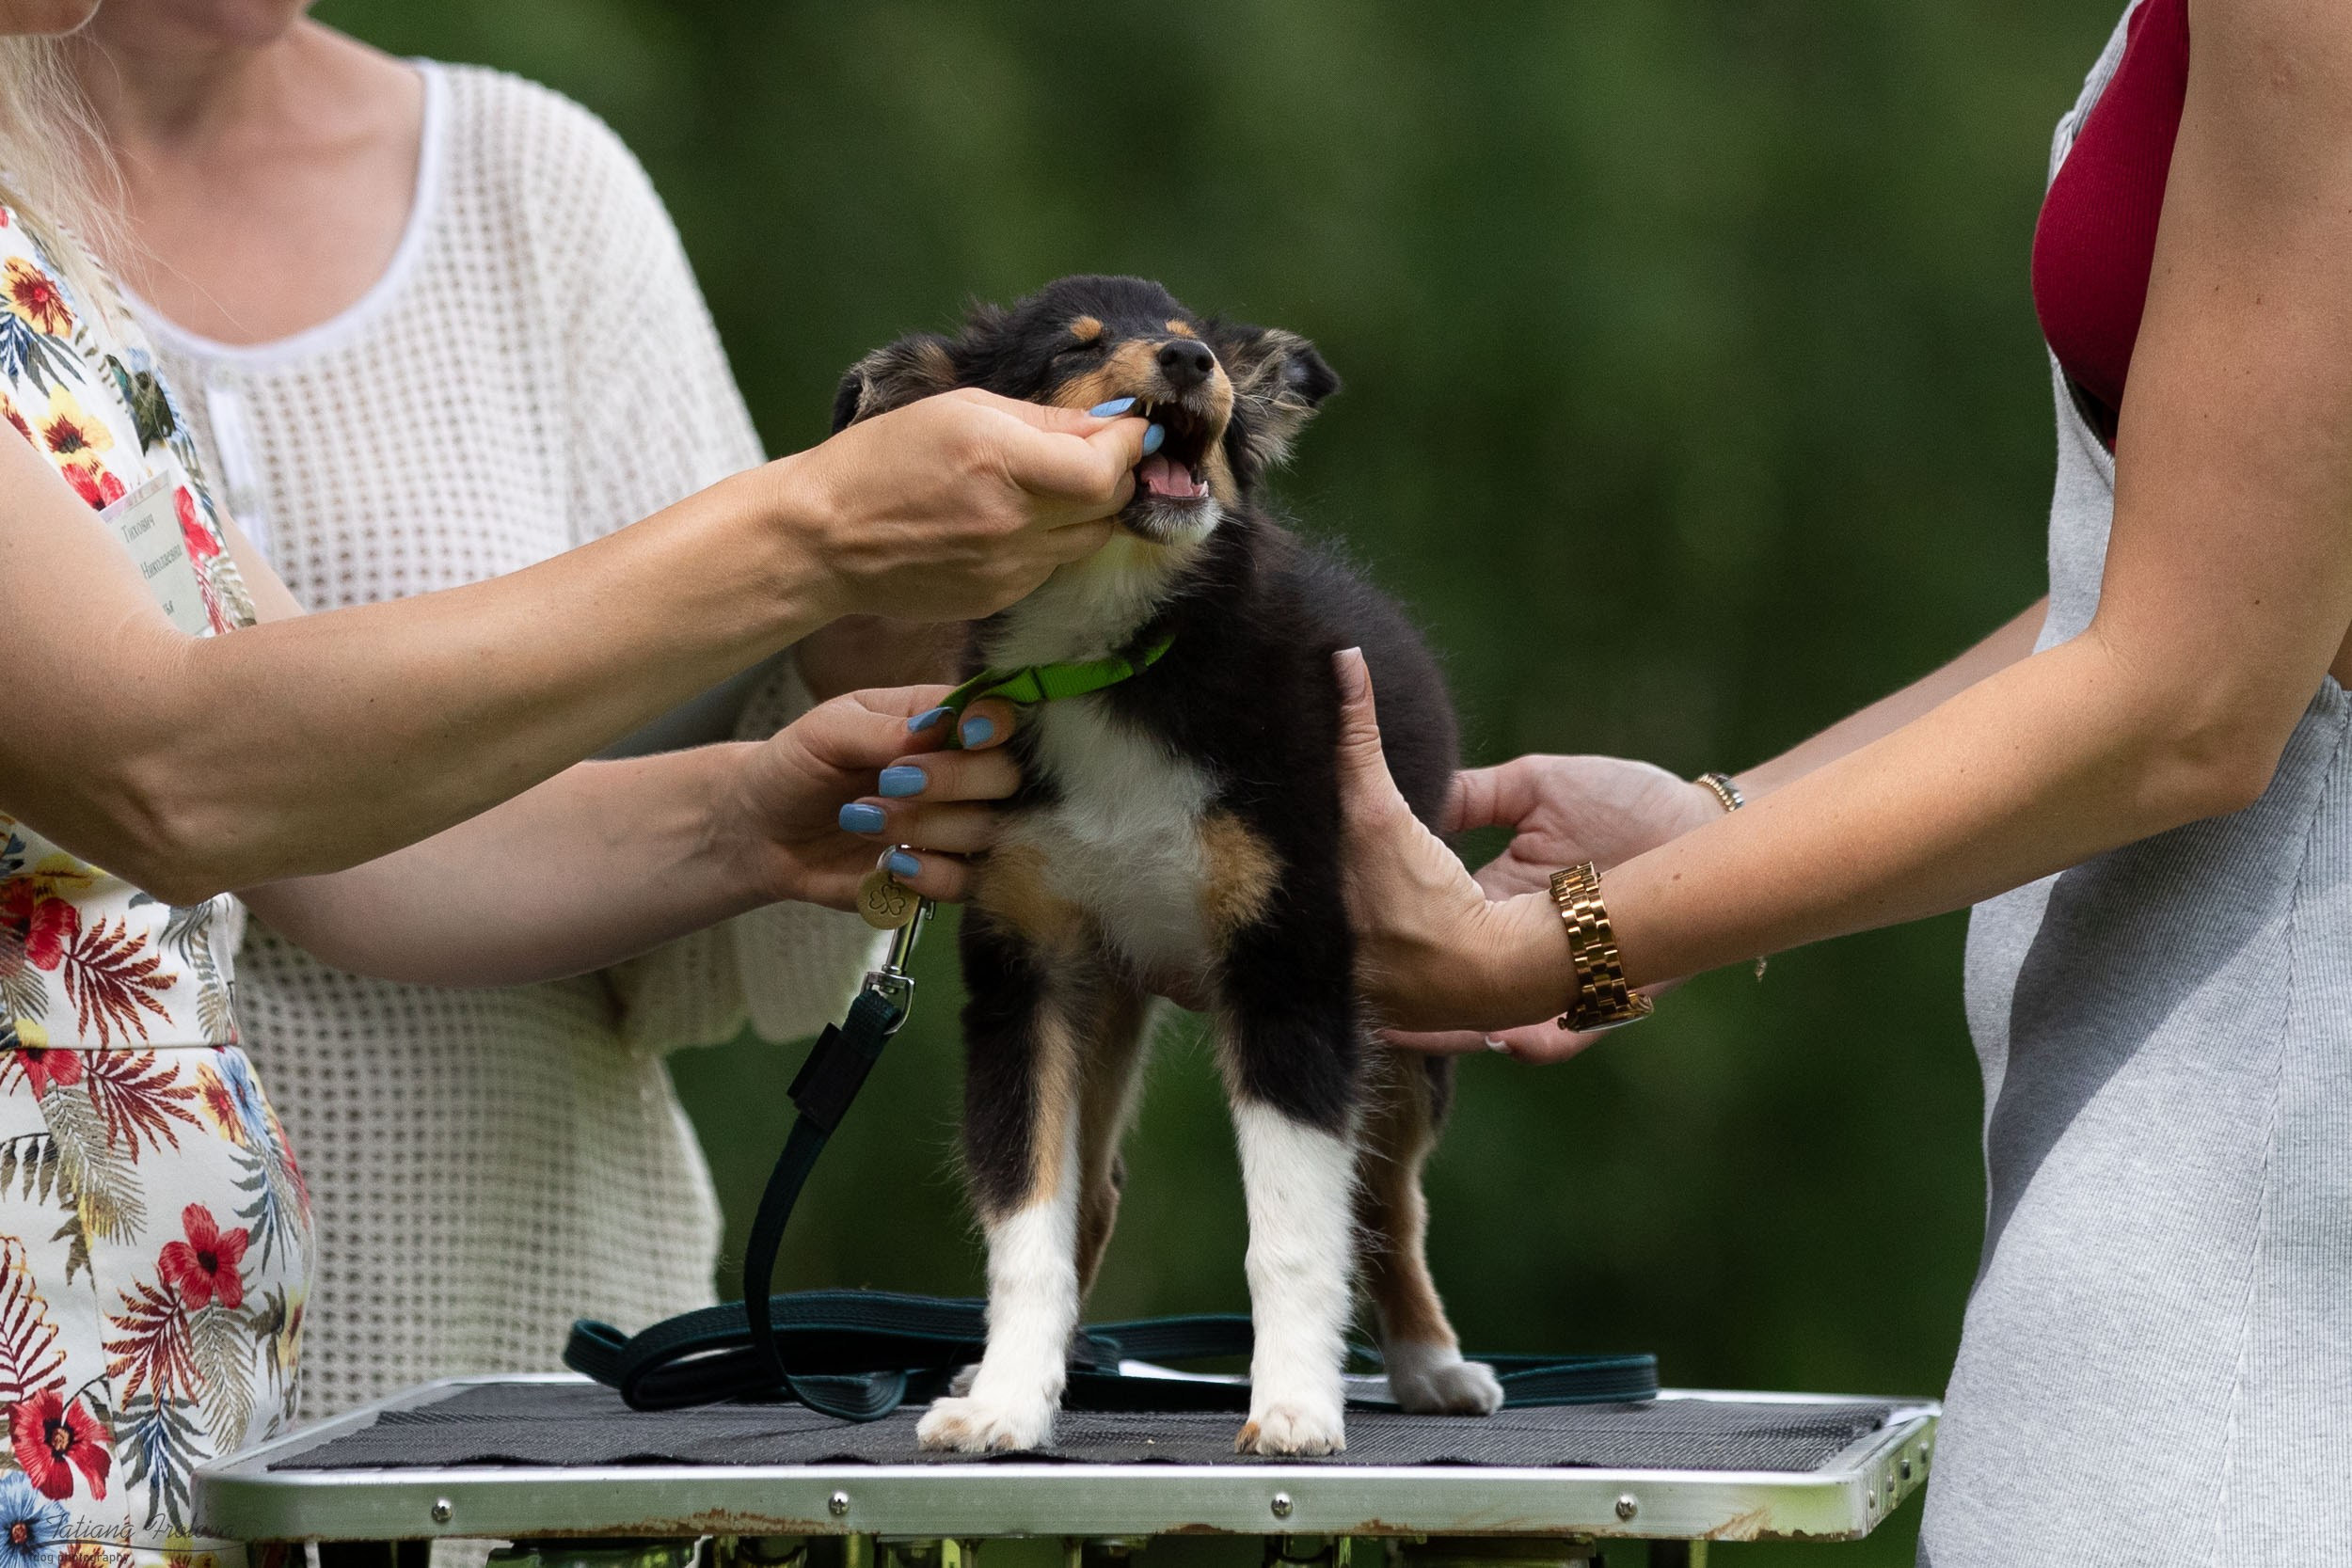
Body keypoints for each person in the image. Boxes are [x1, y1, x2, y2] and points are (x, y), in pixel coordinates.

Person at [0, 1, 1152, 1558]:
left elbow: (323, 835)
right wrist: (807, 533)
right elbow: (173, 770)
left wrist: (745, 813)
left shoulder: (31, 239)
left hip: (141, 1461)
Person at [1336, 0, 2352, 1560]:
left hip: (2262, 1215)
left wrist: (1559, 941)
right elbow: (2201, 577)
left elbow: (2198, 698)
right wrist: (1723, 822)